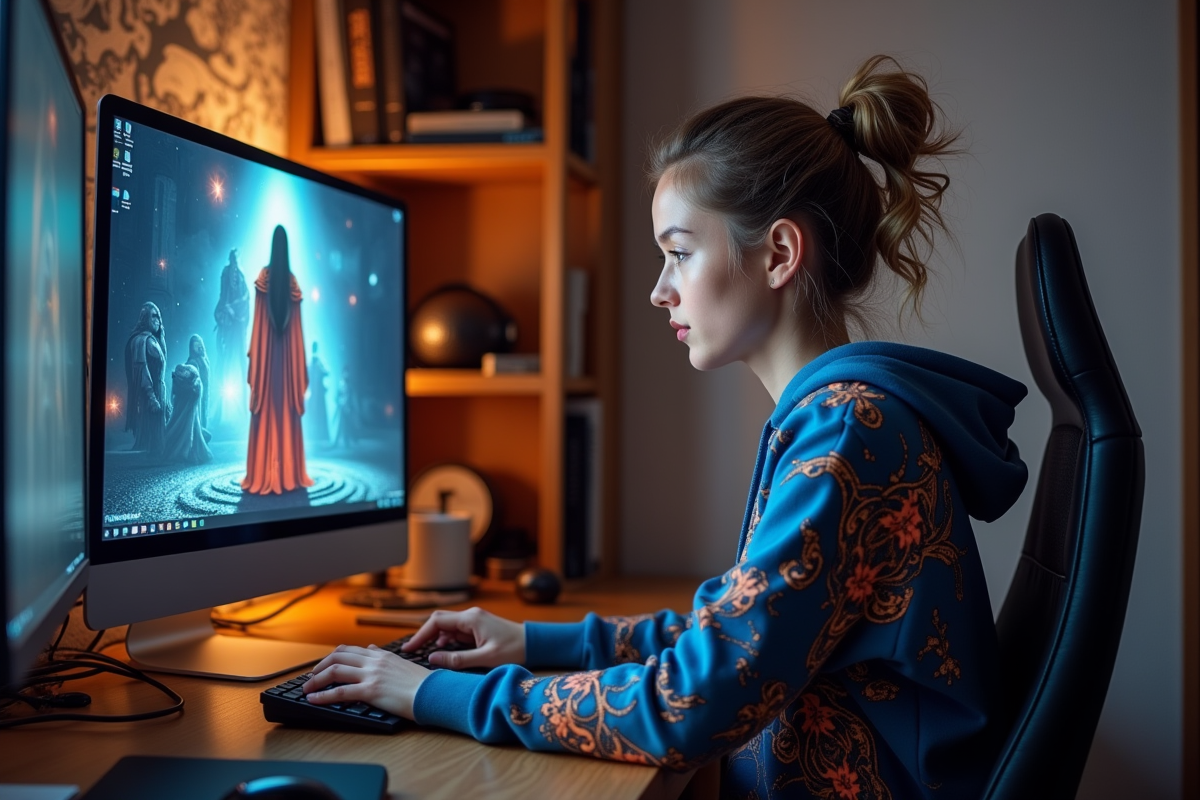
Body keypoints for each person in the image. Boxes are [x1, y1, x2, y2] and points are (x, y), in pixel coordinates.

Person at [302, 56, 1029, 799]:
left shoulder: (847, 435)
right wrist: (532, 641)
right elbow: (732, 638)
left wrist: (429, 695)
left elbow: (690, 702)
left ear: (778, 253)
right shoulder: (836, 417)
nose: (659, 290)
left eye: (679, 253)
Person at [241, 225, 313, 495]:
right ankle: (288, 475)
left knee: (267, 411)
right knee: (285, 412)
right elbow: (297, 337)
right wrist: (298, 369)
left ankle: (262, 474)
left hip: (268, 363)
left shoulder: (264, 278)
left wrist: (256, 363)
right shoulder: (292, 283)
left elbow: (259, 329)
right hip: (287, 366)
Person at [124, 301, 170, 456]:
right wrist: (151, 398)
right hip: (149, 396)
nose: (157, 320)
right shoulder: (140, 341)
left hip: (159, 391)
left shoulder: (154, 340)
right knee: (152, 441)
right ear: (145, 318)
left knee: (160, 438)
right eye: (153, 316)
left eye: (159, 316)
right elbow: (141, 369)